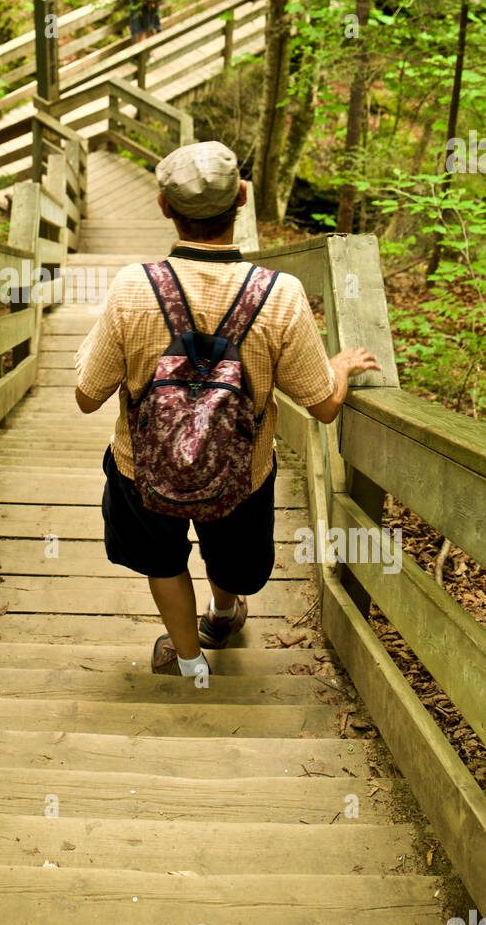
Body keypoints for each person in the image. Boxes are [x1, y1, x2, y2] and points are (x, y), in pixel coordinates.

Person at [73, 141, 381, 686]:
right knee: (229, 551)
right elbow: (325, 407)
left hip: (141, 471)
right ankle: (223, 611)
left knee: (163, 560)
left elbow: (86, 395)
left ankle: (189, 660)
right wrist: (337, 367)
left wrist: (92, 352)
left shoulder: (131, 286)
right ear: (241, 198)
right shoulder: (281, 294)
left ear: (165, 207)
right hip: (242, 474)